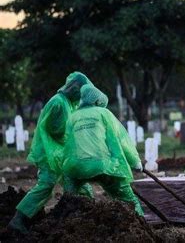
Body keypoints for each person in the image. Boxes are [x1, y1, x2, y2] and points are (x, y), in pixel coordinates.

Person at [8, 72, 94, 233]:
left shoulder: (67, 103)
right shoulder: (58, 103)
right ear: (74, 89)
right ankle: (18, 220)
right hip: (49, 153)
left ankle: (81, 217)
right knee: (46, 184)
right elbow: (56, 130)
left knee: (76, 182)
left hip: (58, 153)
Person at [61, 84, 144, 216]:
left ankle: (68, 216)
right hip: (103, 165)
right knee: (128, 200)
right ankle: (141, 223)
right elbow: (120, 140)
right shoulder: (104, 113)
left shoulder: (73, 117)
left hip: (76, 167)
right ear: (96, 101)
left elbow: (68, 145)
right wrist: (135, 161)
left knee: (70, 198)